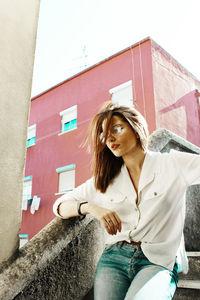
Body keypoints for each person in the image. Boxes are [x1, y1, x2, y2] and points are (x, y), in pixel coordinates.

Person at [53, 101, 200, 300]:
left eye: (117, 129)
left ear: (136, 127)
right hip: (114, 258)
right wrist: (90, 207)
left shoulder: (172, 163)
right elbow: (60, 206)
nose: (109, 138)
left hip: (158, 261)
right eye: (105, 134)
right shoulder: (105, 180)